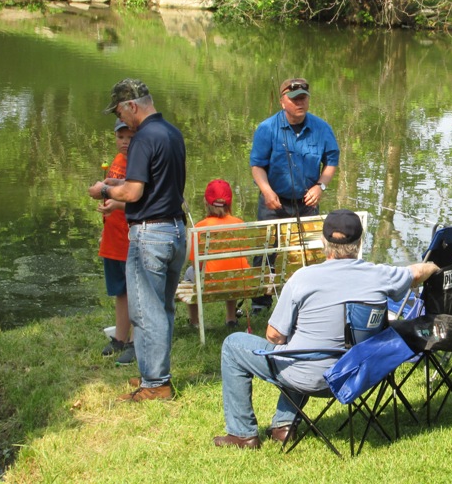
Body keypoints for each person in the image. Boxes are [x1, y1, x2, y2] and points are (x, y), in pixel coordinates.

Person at [211, 209, 439, 449]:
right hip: (356, 373)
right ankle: (284, 425)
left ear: (323, 241)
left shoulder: (302, 278)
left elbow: (274, 336)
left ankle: (242, 434)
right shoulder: (380, 274)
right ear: (359, 242)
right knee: (303, 344)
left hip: (308, 377)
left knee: (234, 345)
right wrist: (434, 266)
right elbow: (416, 273)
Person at [88, 78, 187, 403]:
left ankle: (156, 384)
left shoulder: (143, 137)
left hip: (150, 234)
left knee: (145, 311)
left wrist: (104, 190)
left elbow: (133, 192)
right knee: (163, 308)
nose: (121, 120)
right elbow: (158, 184)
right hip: (175, 230)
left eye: (119, 112)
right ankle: (153, 373)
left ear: (132, 105)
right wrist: (119, 182)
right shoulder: (171, 132)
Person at [248, 77, 339, 311]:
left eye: (303, 98)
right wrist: (266, 191)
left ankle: (306, 297)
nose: (299, 102)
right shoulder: (267, 128)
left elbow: (331, 161)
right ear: (283, 102)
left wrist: (320, 186)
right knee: (266, 251)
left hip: (307, 203)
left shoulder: (322, 128)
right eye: (294, 99)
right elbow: (257, 165)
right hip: (273, 201)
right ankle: (261, 300)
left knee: (309, 251)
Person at [183, 179, 250, 329]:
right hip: (239, 279)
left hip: (210, 281)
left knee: (189, 273)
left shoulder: (200, 227)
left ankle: (194, 321)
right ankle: (231, 318)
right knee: (231, 269)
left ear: (206, 203)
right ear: (229, 203)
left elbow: (196, 265)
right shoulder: (239, 223)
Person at [98, 119, 136, 365]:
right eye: (120, 137)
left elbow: (139, 200)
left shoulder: (139, 163)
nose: (124, 142)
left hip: (129, 239)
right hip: (112, 239)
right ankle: (120, 338)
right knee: (120, 291)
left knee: (134, 292)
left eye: (129, 137)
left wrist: (116, 204)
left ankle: (134, 341)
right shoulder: (117, 161)